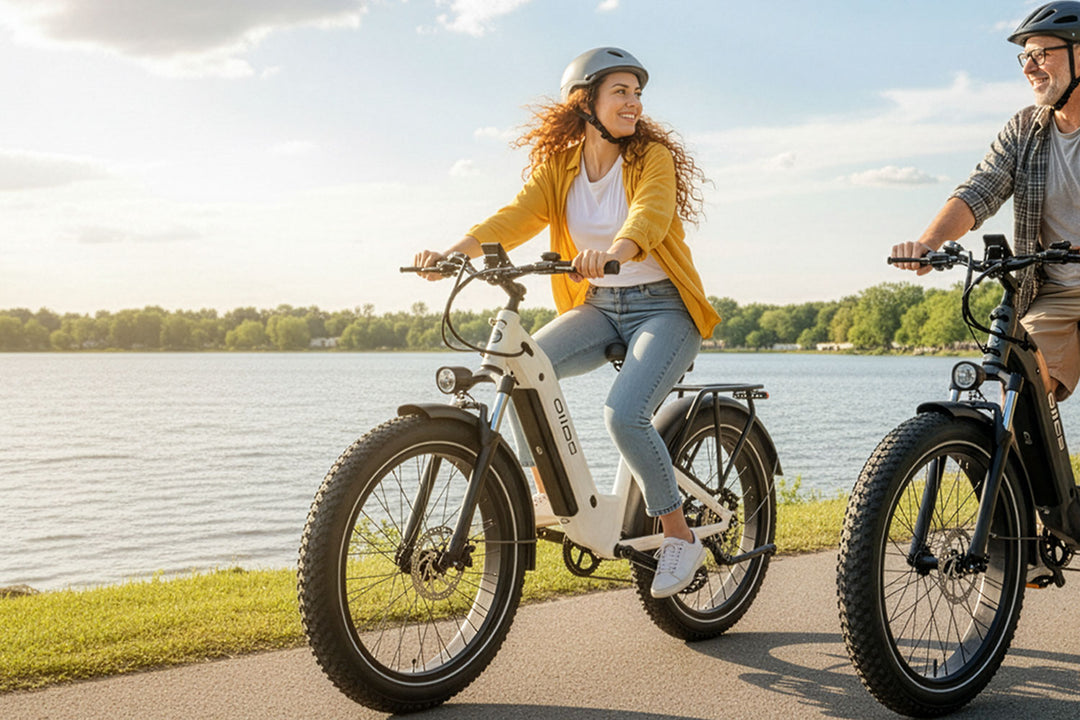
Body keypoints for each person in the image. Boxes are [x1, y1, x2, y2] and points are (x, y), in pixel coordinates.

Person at [412, 47, 720, 598]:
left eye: (637, 93)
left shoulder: (652, 158)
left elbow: (649, 213)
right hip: (599, 306)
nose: (633, 103)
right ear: (586, 102)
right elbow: (513, 217)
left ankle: (679, 535)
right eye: (620, 92)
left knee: (624, 415)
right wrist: (453, 254)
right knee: (523, 370)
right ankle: (546, 494)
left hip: (665, 308)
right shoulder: (560, 168)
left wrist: (615, 250)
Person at [893, 2, 1080, 401]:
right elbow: (980, 189)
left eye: (1041, 54)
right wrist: (929, 243)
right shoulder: (1025, 129)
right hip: (1055, 291)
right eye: (1025, 57)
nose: (1029, 68)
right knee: (1016, 384)